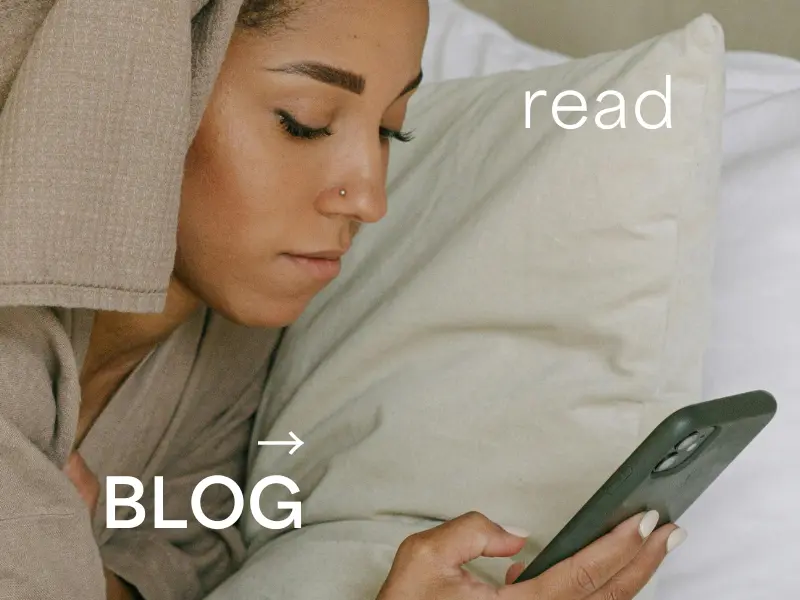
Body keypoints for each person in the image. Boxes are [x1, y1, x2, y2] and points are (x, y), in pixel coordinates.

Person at [0, 0, 684, 599]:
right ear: (129, 95)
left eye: (391, 129)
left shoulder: (225, 359)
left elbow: (178, 564)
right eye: (305, 122)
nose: (371, 199)